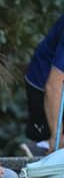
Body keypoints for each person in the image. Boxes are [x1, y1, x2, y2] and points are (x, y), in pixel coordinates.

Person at [24, 14, 64, 152]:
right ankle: (43, 147)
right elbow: (54, 85)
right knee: (57, 143)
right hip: (44, 85)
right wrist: (57, 136)